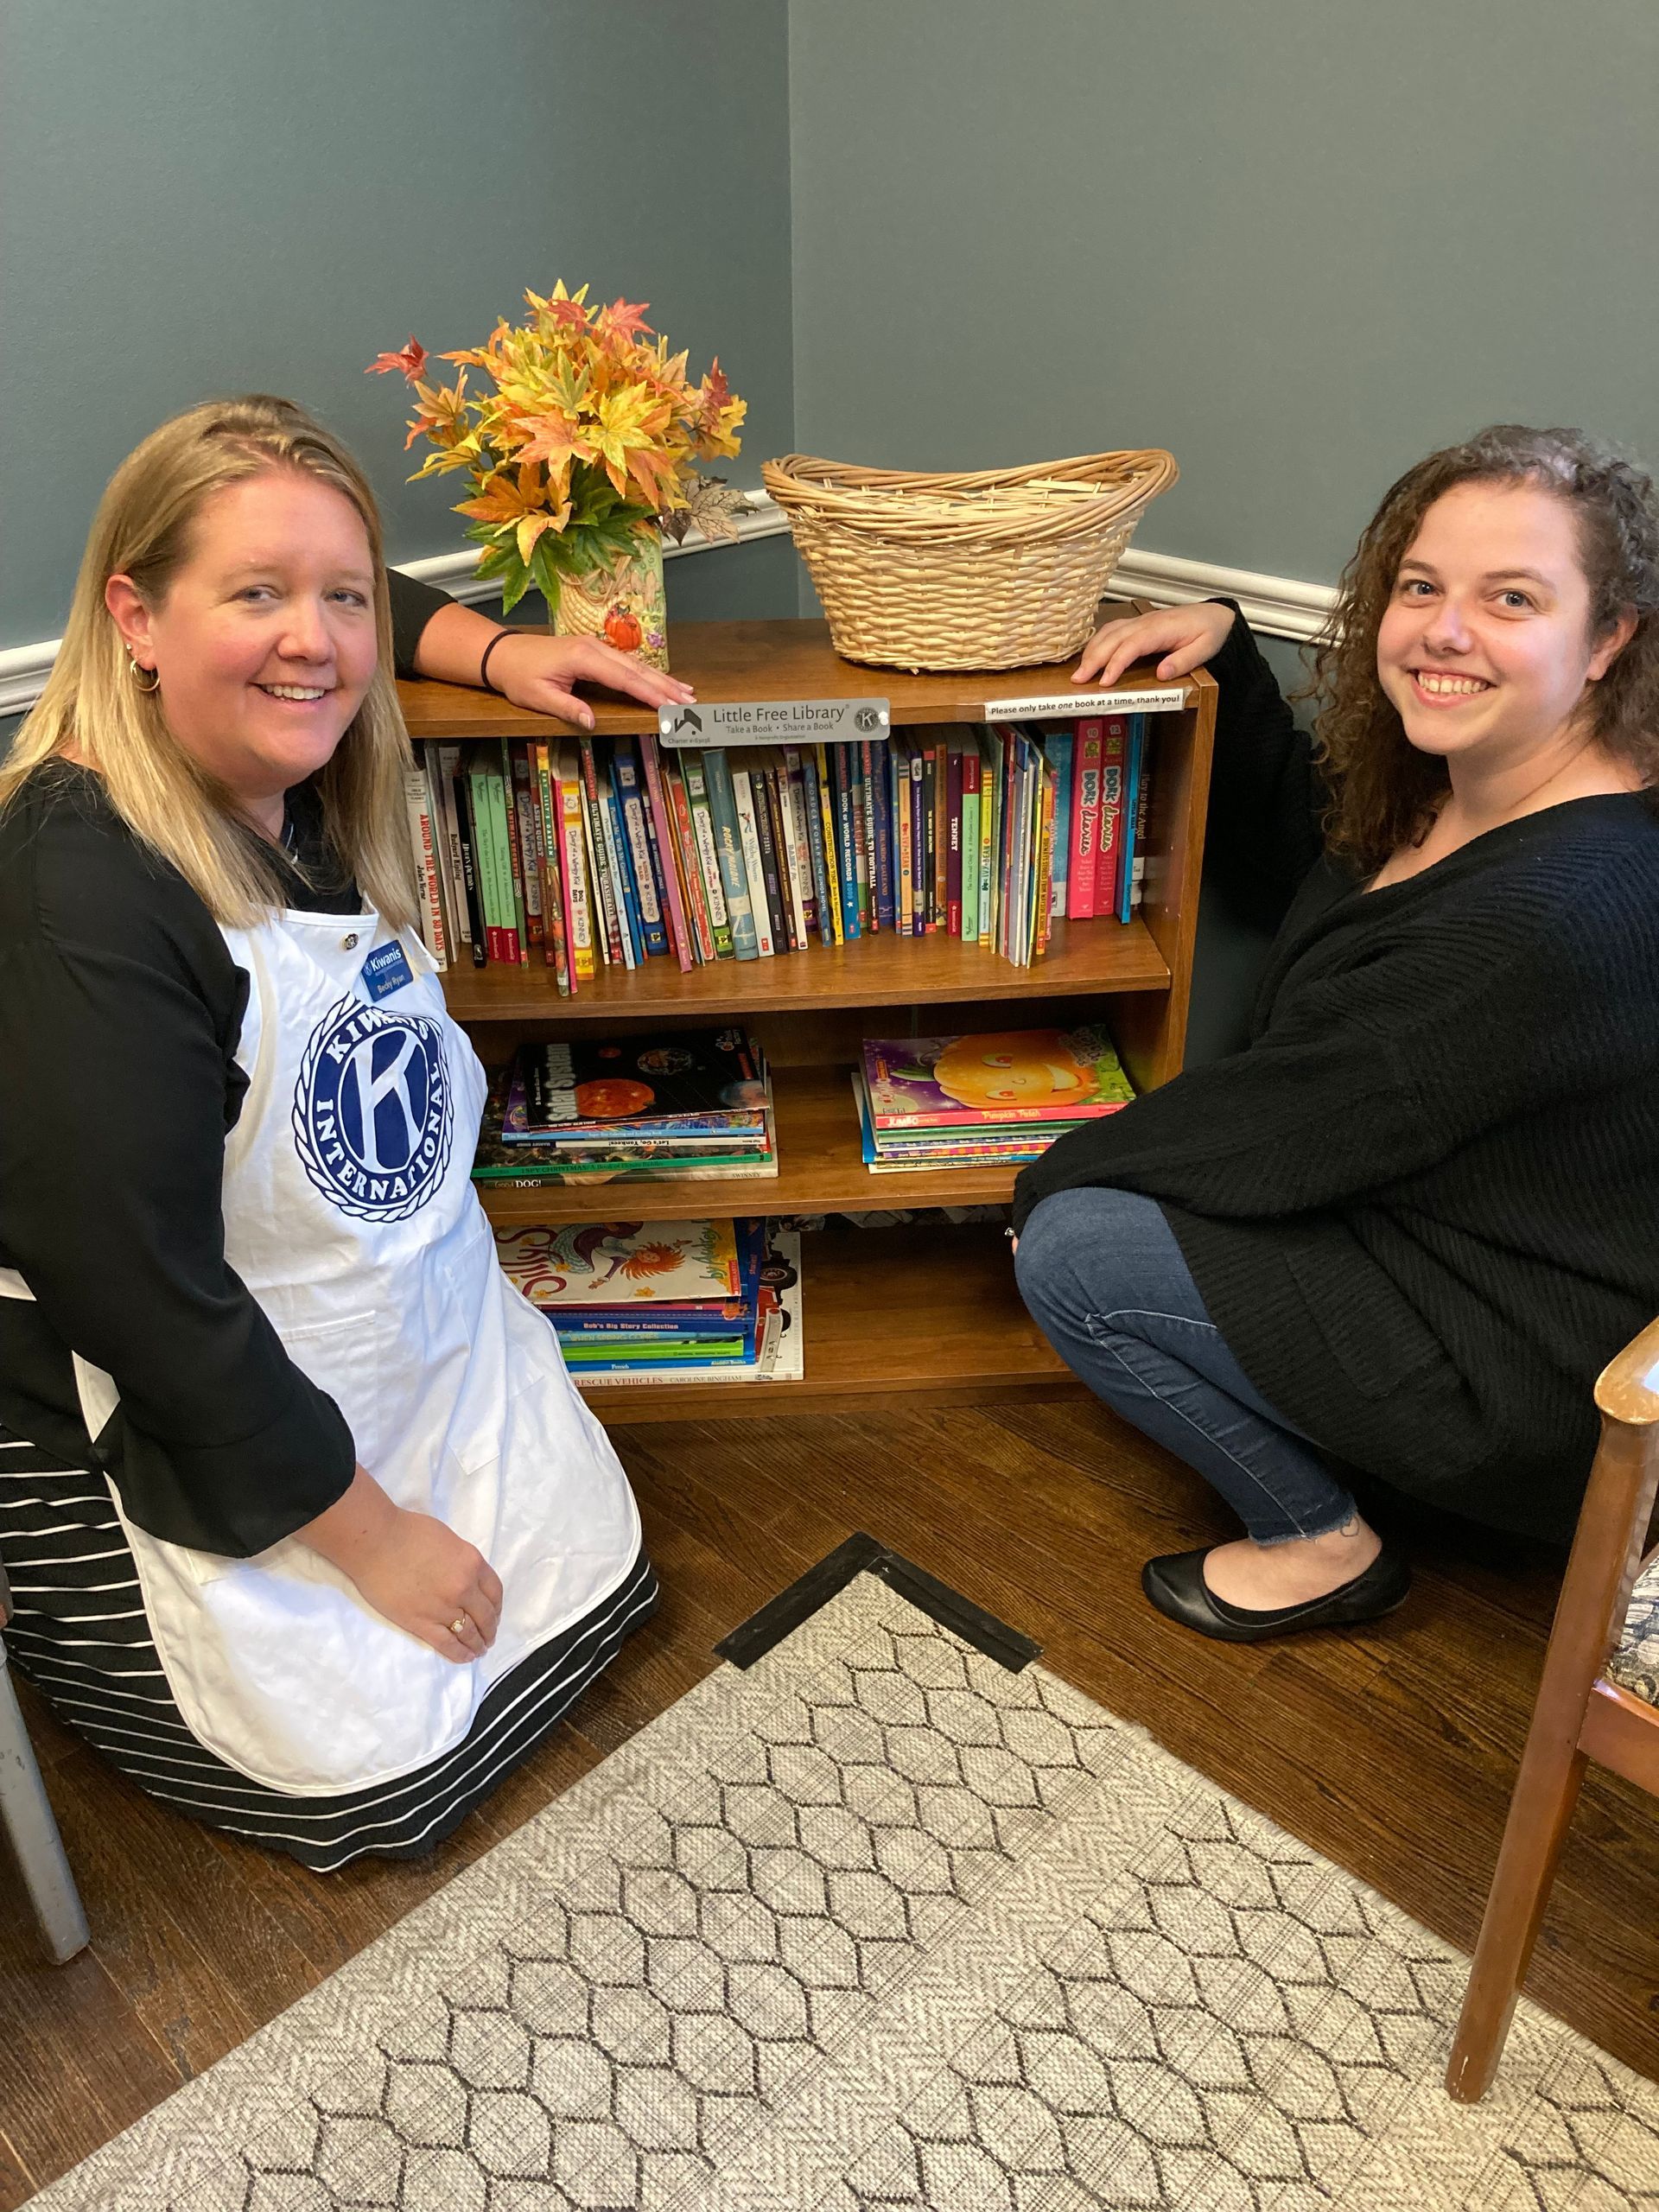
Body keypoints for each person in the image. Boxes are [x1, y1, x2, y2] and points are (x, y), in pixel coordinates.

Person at [0, 396, 680, 1870]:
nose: (313, 640)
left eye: (344, 602)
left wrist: (497, 647)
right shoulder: (84, 896)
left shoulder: (284, 787)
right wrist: (373, 1539)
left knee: (603, 1597)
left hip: (391, 1325)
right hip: (164, 1373)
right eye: (253, 594)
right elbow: (139, 1296)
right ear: (135, 615)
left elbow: (335, 597)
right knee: (385, 1785)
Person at [1012, 425, 1659, 1643]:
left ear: (1611, 636)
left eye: (1510, 599)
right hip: (1432, 1227)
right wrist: (1228, 644)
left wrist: (1048, 1179)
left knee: (1077, 1249)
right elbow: (1310, 860)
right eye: (1423, 587)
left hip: (1521, 1360)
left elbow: (1298, 1119)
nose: (1445, 631)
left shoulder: (1549, 913)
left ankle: (1319, 1543)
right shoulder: (1469, 779)